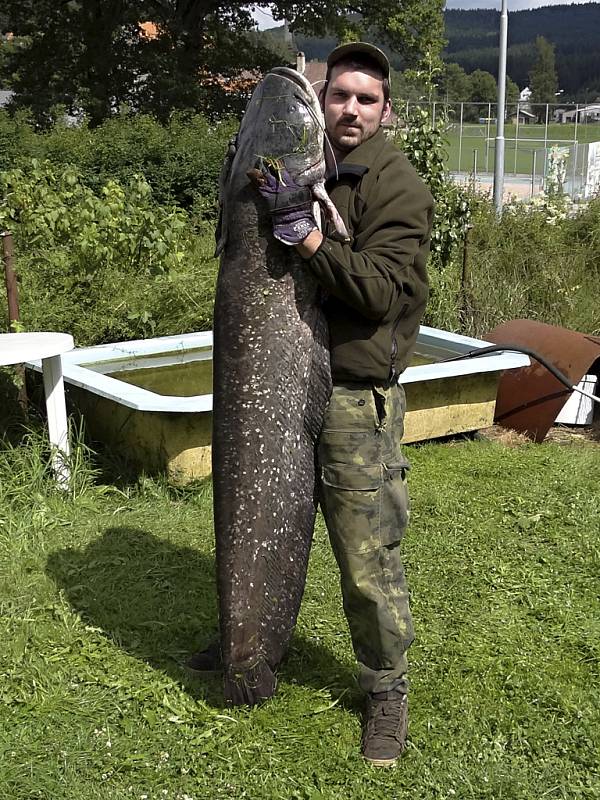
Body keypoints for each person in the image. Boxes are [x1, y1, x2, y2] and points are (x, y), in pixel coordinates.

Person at [256, 42, 434, 767]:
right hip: (279, 381)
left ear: (385, 109)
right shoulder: (307, 165)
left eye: (366, 98)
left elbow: (381, 291)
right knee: (266, 516)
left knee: (365, 555)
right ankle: (252, 637)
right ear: (322, 103)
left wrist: (306, 237)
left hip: (353, 395)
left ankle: (386, 689)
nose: (350, 108)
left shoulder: (398, 185)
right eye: (339, 95)